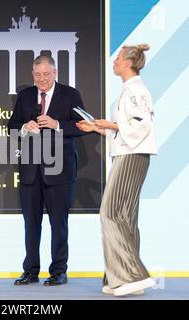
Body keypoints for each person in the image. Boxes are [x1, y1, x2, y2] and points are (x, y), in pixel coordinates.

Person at [76, 44, 157, 296]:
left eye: (118, 58)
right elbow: (125, 129)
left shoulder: (136, 90)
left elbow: (140, 125)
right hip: (128, 153)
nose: (114, 62)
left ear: (128, 63)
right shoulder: (129, 90)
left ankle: (132, 275)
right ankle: (119, 279)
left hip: (131, 155)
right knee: (124, 217)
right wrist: (97, 128)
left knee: (110, 213)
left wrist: (108, 123)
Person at [8, 55, 86, 286]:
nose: (41, 79)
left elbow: (83, 126)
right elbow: (11, 125)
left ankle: (59, 271)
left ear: (55, 73)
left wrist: (57, 124)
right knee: (31, 224)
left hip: (60, 171)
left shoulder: (71, 94)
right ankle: (30, 271)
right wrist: (24, 126)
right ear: (32, 74)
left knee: (58, 223)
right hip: (31, 171)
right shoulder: (25, 96)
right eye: (37, 75)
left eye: (46, 74)